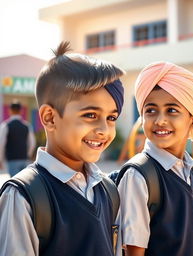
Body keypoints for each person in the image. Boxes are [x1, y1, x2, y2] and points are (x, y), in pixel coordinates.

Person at [0, 41, 125, 256]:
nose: (104, 129)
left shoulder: (108, 189)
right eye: (90, 115)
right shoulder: (23, 197)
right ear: (49, 118)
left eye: (111, 117)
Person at [118, 61, 193, 256]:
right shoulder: (138, 176)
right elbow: (134, 251)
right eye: (150, 110)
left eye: (172, 110)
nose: (160, 120)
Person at [0, 100, 36, 176]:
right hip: (24, 159)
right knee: (24, 184)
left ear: (10, 111)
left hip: (12, 160)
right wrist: (28, 155)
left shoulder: (5, 125)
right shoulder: (27, 126)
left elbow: (1, 144)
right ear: (21, 111)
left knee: (15, 184)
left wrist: (1, 159)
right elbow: (32, 143)